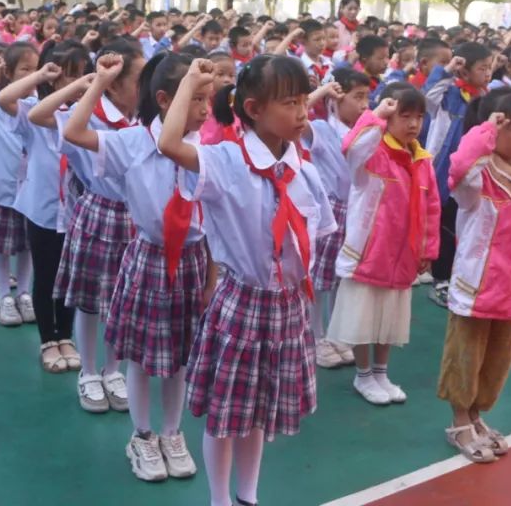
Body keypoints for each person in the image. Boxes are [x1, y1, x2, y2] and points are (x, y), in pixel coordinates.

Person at [158, 54, 335, 506]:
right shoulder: (226, 161)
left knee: (258, 415)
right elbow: (169, 144)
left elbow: (318, 238)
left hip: (289, 306)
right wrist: (192, 84)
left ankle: (247, 497)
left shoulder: (304, 170)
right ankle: (220, 500)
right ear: (254, 109)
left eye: (303, 102)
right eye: (290, 103)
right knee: (226, 414)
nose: (302, 113)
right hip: (243, 302)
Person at [63, 51, 217, 482]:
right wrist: (100, 80)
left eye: (208, 101)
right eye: (197, 100)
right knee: (143, 357)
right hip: (148, 258)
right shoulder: (132, 141)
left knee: (180, 356)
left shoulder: (206, 150)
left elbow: (210, 224)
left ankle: (172, 432)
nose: (206, 111)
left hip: (191, 261)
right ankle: (143, 435)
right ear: (167, 99)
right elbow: (74, 131)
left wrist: (211, 278)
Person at [29, 39, 146, 414]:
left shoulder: (144, 119)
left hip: (135, 216)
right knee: (90, 300)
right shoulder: (90, 112)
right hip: (99, 211)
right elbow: (39, 115)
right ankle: (89, 372)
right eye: (139, 79)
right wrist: (92, 82)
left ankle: (113, 370)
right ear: (114, 85)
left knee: (121, 301)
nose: (146, 87)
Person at [438, 88, 511, 464]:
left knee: (498, 357)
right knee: (466, 354)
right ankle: (459, 420)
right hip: (477, 284)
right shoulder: (477, 178)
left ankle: (477, 414)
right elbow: (458, 165)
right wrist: (485, 130)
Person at [327, 83, 440, 405]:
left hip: (403, 255)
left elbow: (432, 207)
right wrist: (376, 114)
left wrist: (428, 248)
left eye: (418, 117)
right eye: (405, 116)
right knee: (364, 317)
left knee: (389, 318)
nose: (413, 124)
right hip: (370, 253)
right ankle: (363, 375)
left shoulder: (421, 160)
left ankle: (381, 372)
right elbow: (351, 146)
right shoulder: (373, 155)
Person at [0, 40, 93, 374]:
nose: (79, 83)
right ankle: (47, 339)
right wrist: (40, 74)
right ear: (54, 80)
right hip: (42, 208)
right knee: (46, 274)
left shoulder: (88, 118)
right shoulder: (32, 113)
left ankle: (65, 335)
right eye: (71, 76)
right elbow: (4, 97)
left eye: (84, 75)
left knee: (69, 277)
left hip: (77, 213)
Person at [304, 68, 371, 369]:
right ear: (336, 100)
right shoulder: (322, 128)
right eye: (357, 97)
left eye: (367, 97)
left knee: (342, 276)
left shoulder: (365, 130)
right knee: (320, 278)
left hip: (355, 209)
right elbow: (299, 113)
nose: (364, 105)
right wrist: (322, 92)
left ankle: (335, 334)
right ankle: (315, 337)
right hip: (329, 210)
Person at [425, 42, 493, 308]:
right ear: (464, 72)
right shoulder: (450, 95)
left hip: (474, 173)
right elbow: (428, 97)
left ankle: (461, 277)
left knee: (468, 227)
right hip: (447, 171)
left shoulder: (487, 98)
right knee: (446, 224)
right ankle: (440, 279)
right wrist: (447, 70)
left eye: (490, 68)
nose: (487, 73)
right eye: (482, 68)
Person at [0, 43, 40, 326]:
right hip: (3, 189)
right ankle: (5, 295)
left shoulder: (41, 105)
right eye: (25, 70)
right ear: (9, 72)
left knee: (27, 246)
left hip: (32, 190)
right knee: (2, 247)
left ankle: (24, 292)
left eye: (35, 69)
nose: (32, 75)